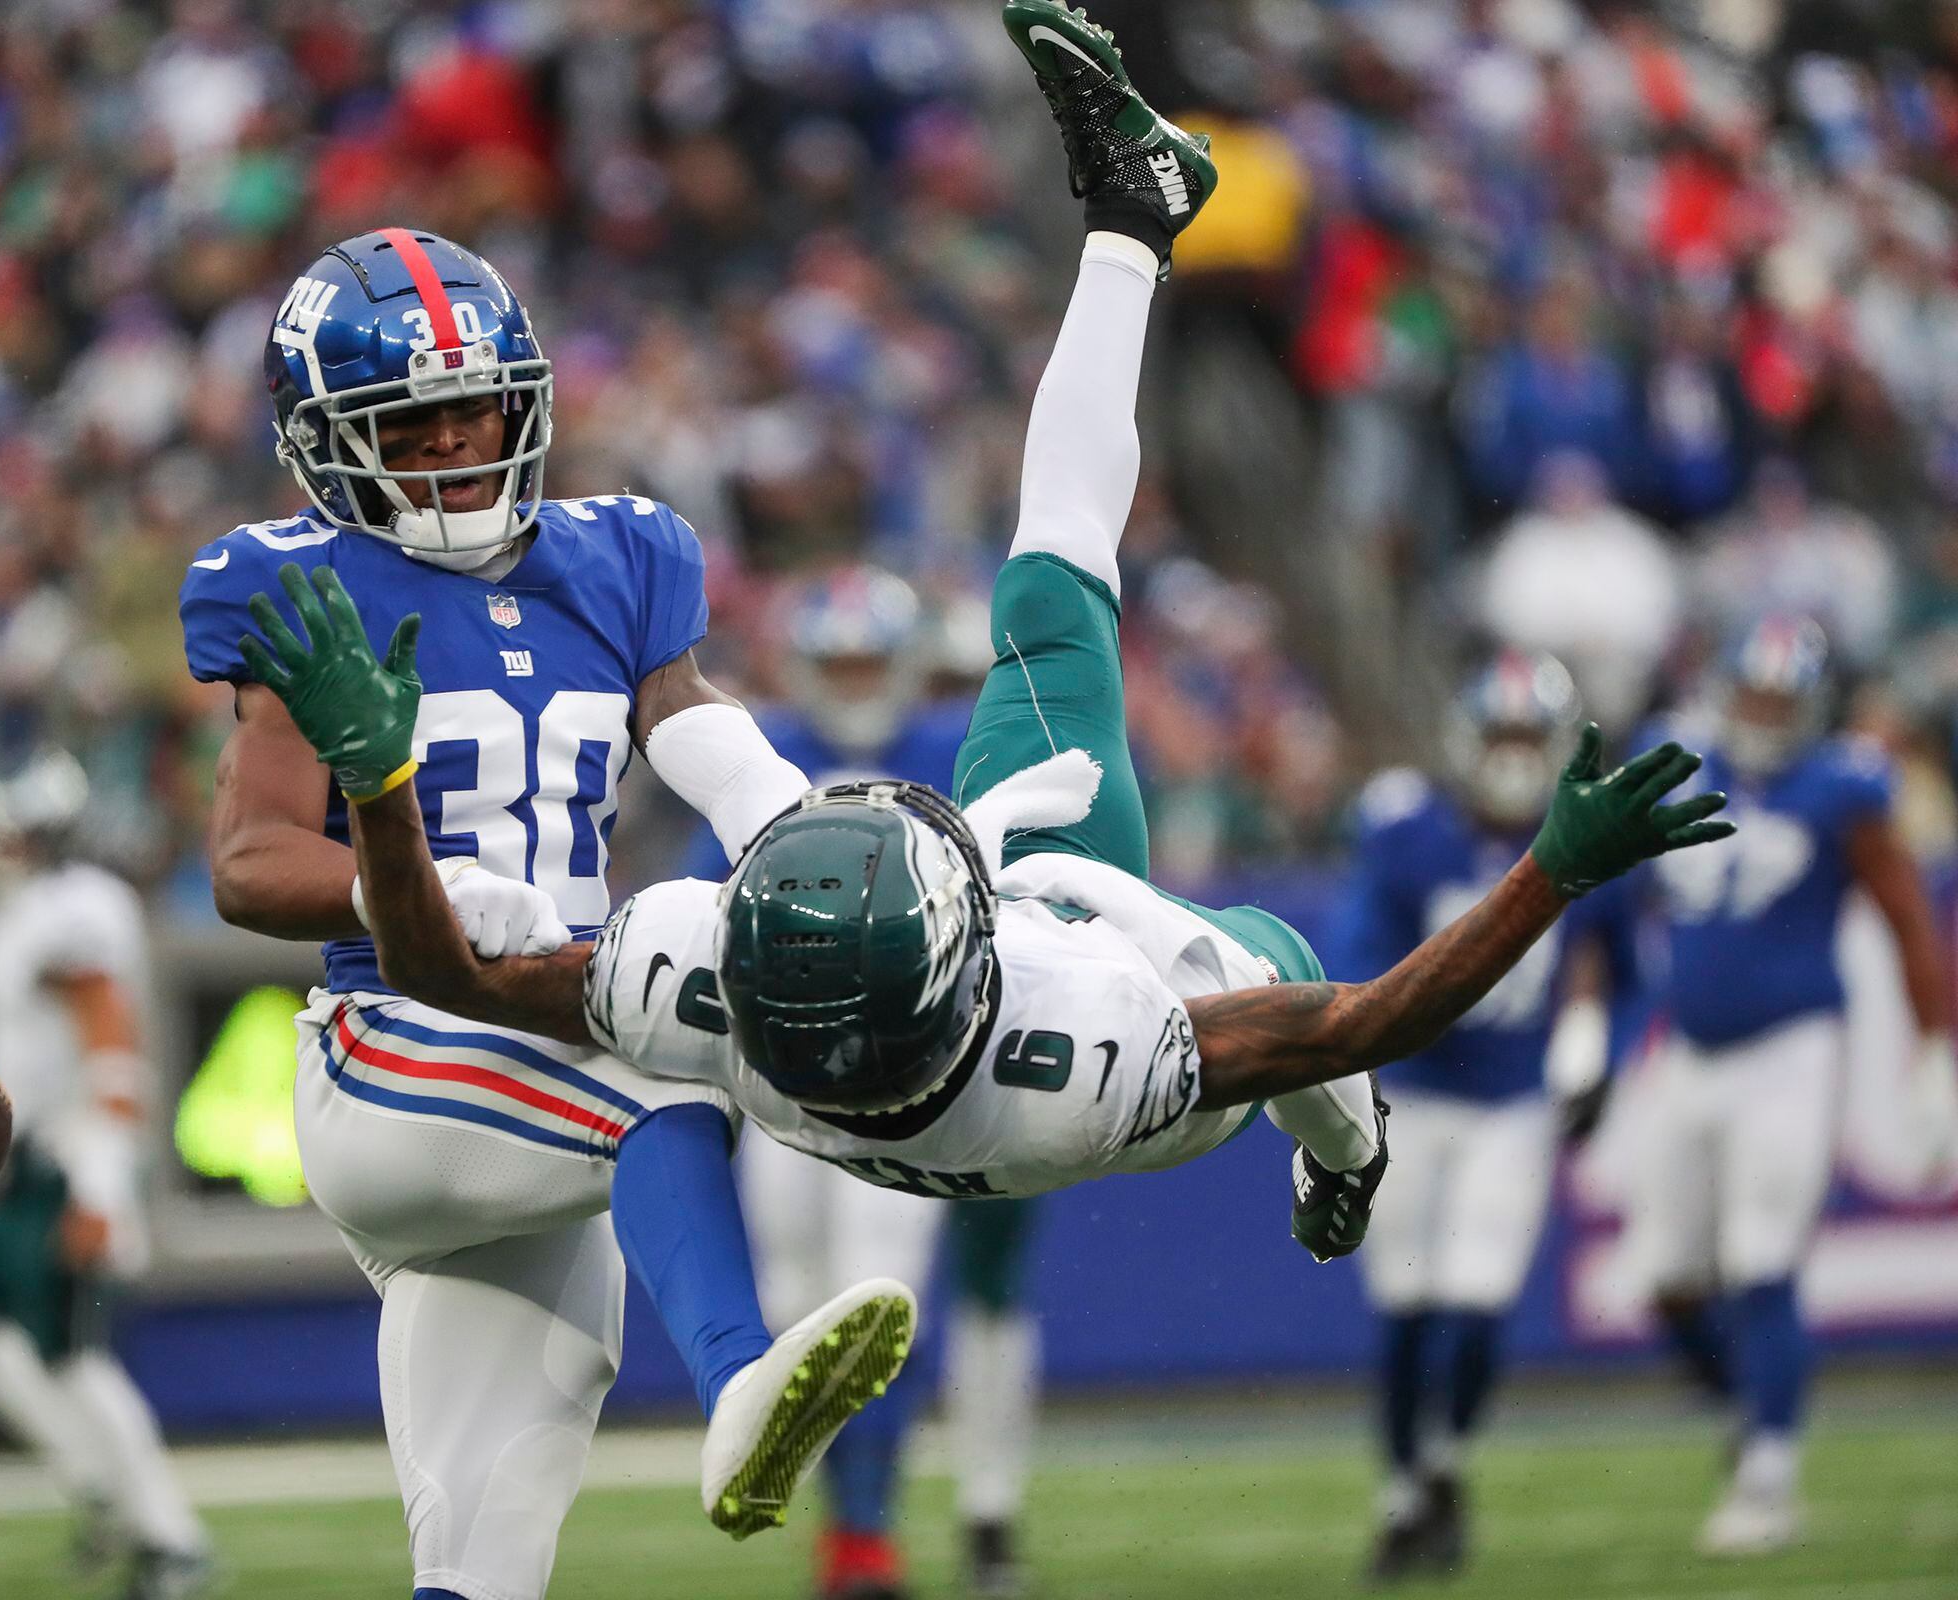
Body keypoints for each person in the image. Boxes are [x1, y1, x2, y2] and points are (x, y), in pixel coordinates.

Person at [234, 0, 1734, 1542]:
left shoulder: (699, 982)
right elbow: (1362, 1015)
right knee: (1265, 981)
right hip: (1083, 960)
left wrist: (390, 796)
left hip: (953, 966)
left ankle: (1126, 232)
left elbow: (451, 969)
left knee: (1066, 605)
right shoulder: (1103, 1053)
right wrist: (1550, 871)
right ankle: (1131, 233)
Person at [177, 222, 873, 1599]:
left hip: (535, 1045)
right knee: (658, 1073)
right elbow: (250, 862)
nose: (455, 444)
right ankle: (740, 1378)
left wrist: (786, 823)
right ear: (329, 441)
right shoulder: (298, 581)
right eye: (414, 423)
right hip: (396, 1044)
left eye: (475, 408)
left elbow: (684, 715)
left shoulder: (615, 556)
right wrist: (415, 889)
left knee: (488, 1559)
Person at [1625, 616, 1957, 1556]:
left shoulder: (1842, 784)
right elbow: (1621, 902)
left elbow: (1904, 916)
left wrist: (1932, 1054)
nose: (1766, 713)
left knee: (1763, 1259)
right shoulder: (1675, 759)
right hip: (1686, 1050)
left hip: (1792, 1049)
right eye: (1755, 694)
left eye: (1783, 698)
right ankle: (1751, 1407)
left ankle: (1768, 1473)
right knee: (1669, 1281)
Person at [683, 567, 982, 1600]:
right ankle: (844, 1526)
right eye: (838, 662)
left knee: (877, 1299)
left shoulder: (948, 754)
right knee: (797, 1308)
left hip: (912, 1082)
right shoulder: (761, 755)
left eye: (869, 660)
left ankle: (869, 1533)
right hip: (780, 1088)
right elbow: (696, 909)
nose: (855, 682)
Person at [1332, 652, 1633, 1580]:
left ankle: (1441, 1468)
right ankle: (1403, 1492)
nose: (1509, 756)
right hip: (1415, 1096)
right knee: (1404, 1308)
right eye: (1497, 735)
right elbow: (1364, 966)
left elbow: (1606, 965)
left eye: (1524, 738)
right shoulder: (1408, 829)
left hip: (1510, 1100)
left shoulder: (1577, 828)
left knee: (1475, 1302)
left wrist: (1587, 1048)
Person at [0, 749, 212, 1600]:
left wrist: (100, 1182)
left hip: (72, 1156)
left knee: (75, 1358)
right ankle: (98, 1483)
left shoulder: (73, 910)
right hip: (25, 1158)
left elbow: (110, 1036)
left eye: (20, 830)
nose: (5, 844)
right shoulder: (18, 912)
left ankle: (172, 1537)